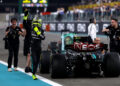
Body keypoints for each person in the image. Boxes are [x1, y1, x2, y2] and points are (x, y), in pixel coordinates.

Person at [23, 8, 32, 73]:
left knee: (28, 54)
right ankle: (28, 67)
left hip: (27, 41)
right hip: (31, 41)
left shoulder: (27, 27)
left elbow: (24, 21)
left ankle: (28, 67)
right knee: (29, 54)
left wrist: (25, 14)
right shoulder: (32, 27)